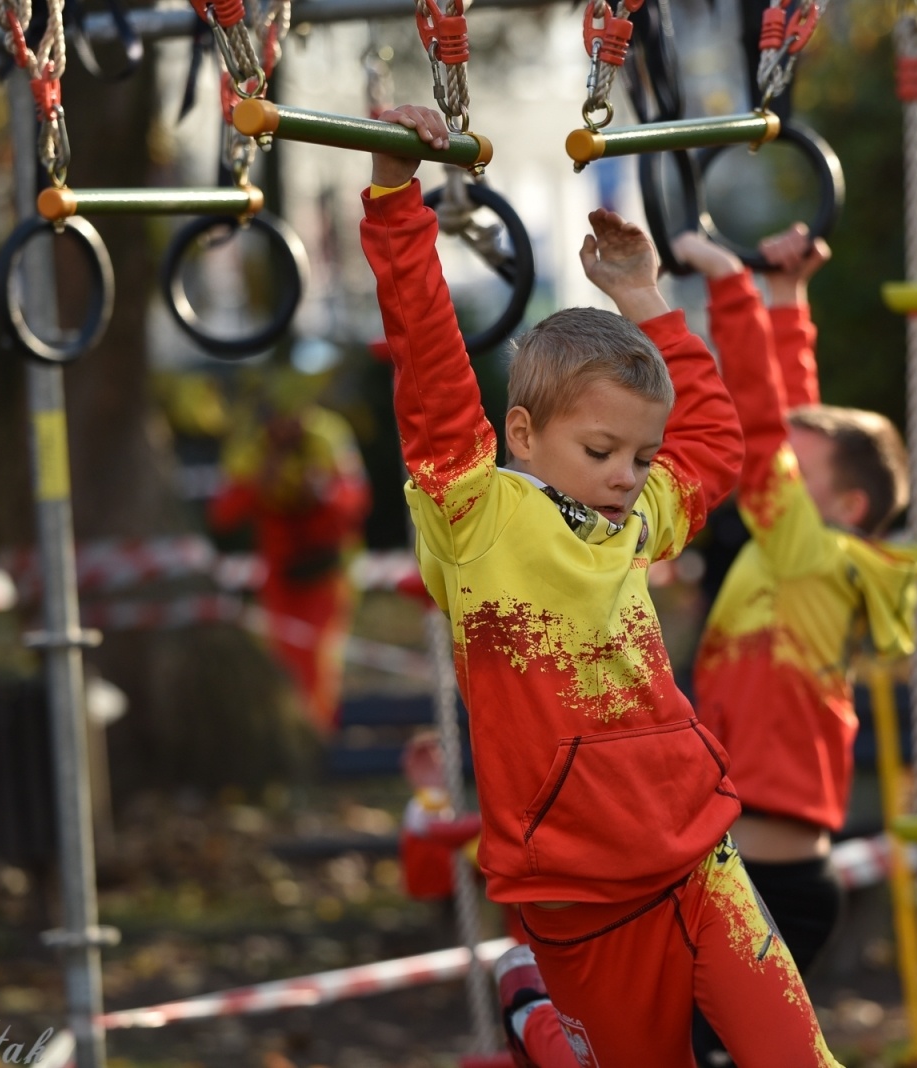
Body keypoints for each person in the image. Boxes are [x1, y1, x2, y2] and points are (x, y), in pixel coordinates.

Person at [360, 105, 845, 1068]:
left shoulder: (630, 521)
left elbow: (712, 446)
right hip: (578, 889)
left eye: (638, 453)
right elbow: (430, 366)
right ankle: (538, 1017)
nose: (629, 474)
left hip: (699, 855)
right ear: (525, 433)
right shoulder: (478, 514)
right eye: (601, 450)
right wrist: (392, 194)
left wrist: (646, 296)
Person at [673, 226, 917, 1067]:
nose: (773, 467)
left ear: (846, 507)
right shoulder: (799, 551)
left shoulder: (816, 564)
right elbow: (790, 418)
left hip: (769, 890)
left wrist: (729, 286)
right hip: (739, 876)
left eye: (792, 469)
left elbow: (758, 427)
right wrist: (787, 296)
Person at [209, 369, 372, 732]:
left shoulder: (328, 435)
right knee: (285, 664)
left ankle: (320, 744)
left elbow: (356, 501)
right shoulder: (251, 446)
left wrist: (323, 493)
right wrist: (257, 484)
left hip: (329, 573)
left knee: (320, 664)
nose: (285, 424)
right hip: (281, 574)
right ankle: (299, 744)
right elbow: (222, 513)